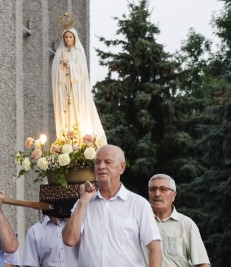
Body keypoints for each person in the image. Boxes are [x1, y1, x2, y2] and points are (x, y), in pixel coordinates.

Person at [62, 144, 162, 267]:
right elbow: (69, 240)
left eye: (107, 162)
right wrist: (83, 202)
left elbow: (155, 249)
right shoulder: (83, 203)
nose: (101, 166)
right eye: (97, 162)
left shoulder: (139, 205)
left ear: (122, 167)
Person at [52, 13, 107, 144]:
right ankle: (66, 141)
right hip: (64, 92)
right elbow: (55, 71)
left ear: (74, 38)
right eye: (66, 37)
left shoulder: (78, 52)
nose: (68, 39)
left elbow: (82, 71)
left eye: (70, 37)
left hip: (77, 91)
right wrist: (61, 65)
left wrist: (69, 65)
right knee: (66, 118)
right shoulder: (60, 53)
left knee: (77, 115)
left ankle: (81, 140)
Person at [145, 174, 210, 267]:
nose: (157, 194)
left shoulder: (186, 224)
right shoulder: (139, 222)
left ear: (173, 195)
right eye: (153, 189)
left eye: (163, 189)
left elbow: (203, 264)